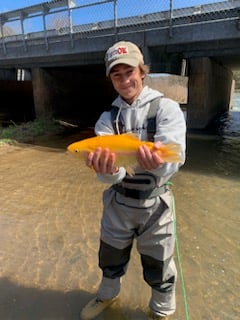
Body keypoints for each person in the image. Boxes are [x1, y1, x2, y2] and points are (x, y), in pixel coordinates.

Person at [80, 41, 186, 320]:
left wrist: (160, 166)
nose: (125, 80)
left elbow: (175, 161)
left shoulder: (167, 108)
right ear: (111, 79)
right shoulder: (106, 119)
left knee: (160, 266)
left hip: (157, 205)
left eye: (130, 72)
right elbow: (109, 177)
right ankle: (107, 296)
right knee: (110, 258)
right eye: (117, 75)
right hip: (118, 203)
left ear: (142, 71)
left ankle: (162, 313)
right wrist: (108, 169)